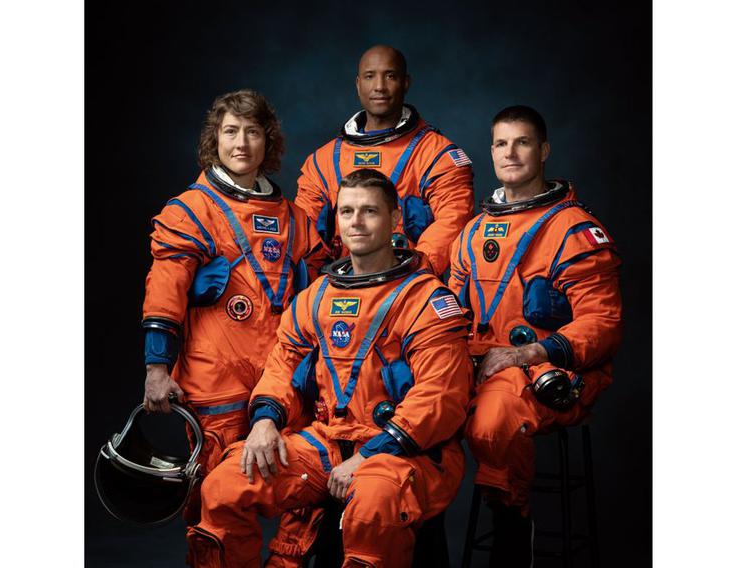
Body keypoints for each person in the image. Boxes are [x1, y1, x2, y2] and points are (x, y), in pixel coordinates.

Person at [187, 169, 473, 567]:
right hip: (327, 442)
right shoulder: (316, 297)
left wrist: (371, 453)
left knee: (373, 504)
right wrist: (266, 420)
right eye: (347, 211)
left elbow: (441, 399)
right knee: (223, 485)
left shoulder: (426, 300)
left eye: (369, 211)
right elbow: (282, 365)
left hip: (407, 451)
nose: (356, 222)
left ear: (394, 221)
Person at [140, 90, 326, 561]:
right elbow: (165, 291)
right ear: (214, 140)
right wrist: (156, 367)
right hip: (214, 385)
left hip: (283, 383)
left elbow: (327, 294)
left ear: (269, 141)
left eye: (252, 131)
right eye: (230, 131)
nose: (241, 142)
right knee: (215, 502)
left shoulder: (295, 220)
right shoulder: (190, 211)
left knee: (299, 493)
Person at [449, 105, 622, 566]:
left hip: (547, 369)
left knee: (494, 418)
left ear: (543, 150)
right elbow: (449, 314)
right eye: (501, 143)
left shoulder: (574, 231)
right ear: (491, 152)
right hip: (478, 365)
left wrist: (530, 351)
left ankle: (512, 525)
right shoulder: (472, 233)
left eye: (522, 142)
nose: (511, 152)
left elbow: (602, 324)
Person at [295, 45, 474, 275]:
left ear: (405, 83)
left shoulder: (437, 155)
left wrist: (409, 277)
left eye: (390, 76)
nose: (379, 87)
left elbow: (452, 222)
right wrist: (321, 288)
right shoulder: (323, 162)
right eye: (370, 77)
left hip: (408, 289)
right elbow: (303, 234)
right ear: (358, 84)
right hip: (339, 290)